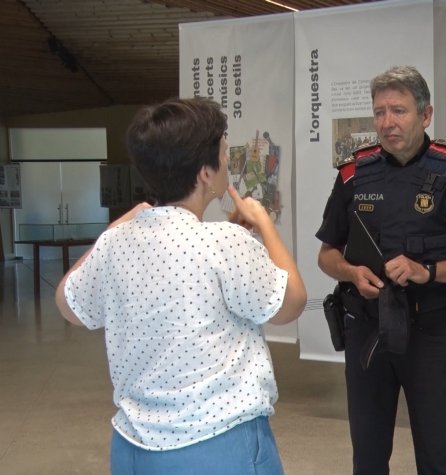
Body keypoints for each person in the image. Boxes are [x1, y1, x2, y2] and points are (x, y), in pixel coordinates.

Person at [55, 97, 307, 475]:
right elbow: (292, 304)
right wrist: (264, 223)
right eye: (224, 152)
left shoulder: (116, 243)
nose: (227, 160)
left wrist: (118, 225)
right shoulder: (225, 241)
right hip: (218, 446)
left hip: (133, 449)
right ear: (205, 172)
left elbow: (67, 304)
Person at [316, 65, 446, 475]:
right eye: (379, 112)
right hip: (366, 329)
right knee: (367, 454)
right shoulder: (353, 174)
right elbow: (326, 254)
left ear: (426, 114)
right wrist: (349, 272)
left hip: (428, 333)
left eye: (398, 110)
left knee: (435, 456)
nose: (387, 122)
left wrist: (427, 272)